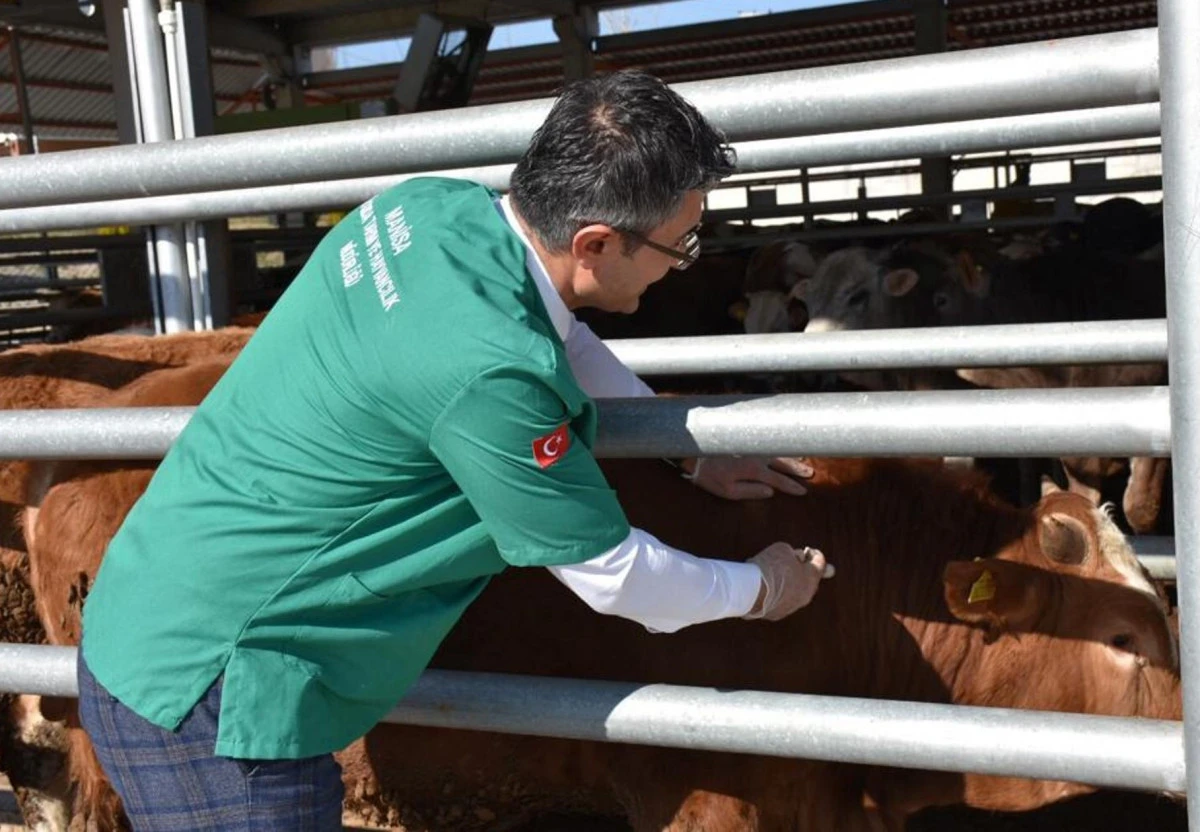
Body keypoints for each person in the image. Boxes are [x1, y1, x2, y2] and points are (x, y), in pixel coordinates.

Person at [77, 69, 832, 830]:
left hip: (155, 610)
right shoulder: (489, 372)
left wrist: (683, 448)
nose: (683, 261)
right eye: (682, 244)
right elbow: (619, 579)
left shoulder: (429, 209)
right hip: (219, 698)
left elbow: (563, 341)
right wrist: (763, 588)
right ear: (596, 243)